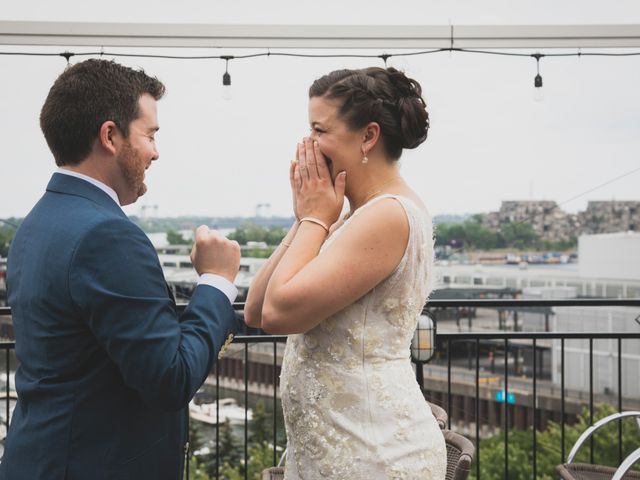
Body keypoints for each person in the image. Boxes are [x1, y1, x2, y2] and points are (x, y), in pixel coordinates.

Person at [1, 59, 242, 480]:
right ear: (110, 136)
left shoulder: (35, 223)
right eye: (150, 134)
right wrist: (216, 282)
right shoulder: (107, 236)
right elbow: (170, 378)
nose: (155, 151)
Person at [245, 66, 446, 479]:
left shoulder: (388, 214)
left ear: (368, 136)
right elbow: (255, 309)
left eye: (319, 130)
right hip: (335, 447)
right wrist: (308, 218)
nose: (308, 145)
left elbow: (278, 315)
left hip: (372, 450)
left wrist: (316, 218)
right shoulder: (353, 216)